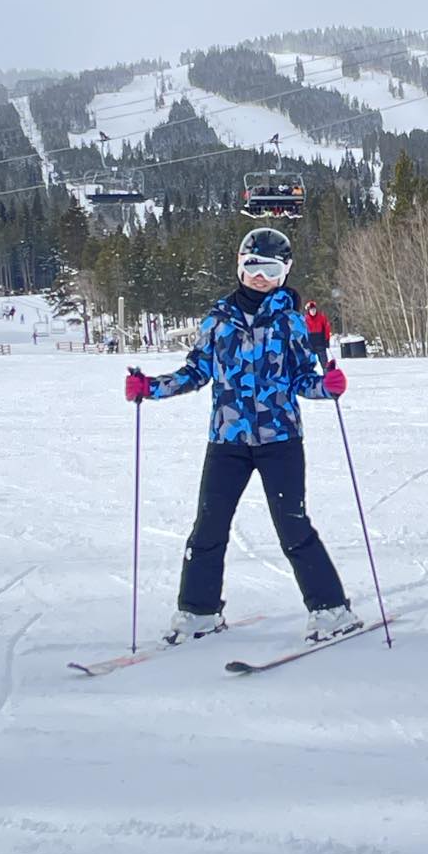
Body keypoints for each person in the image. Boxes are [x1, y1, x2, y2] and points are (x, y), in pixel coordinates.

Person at [124, 227, 361, 645]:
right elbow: (197, 371)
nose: (260, 276)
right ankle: (199, 611)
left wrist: (327, 387)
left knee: (293, 526)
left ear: (284, 272)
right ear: (239, 264)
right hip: (227, 441)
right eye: (253, 266)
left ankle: (330, 610)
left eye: (270, 269)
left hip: (280, 439)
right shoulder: (218, 319)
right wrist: (151, 388)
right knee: (208, 527)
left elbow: (303, 377)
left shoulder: (290, 321)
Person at [304, 300, 332, 365]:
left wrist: (327, 340)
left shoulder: (321, 318)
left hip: (321, 343)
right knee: (308, 364)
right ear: (308, 311)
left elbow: (327, 329)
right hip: (310, 344)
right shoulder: (305, 319)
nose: (313, 311)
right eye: (311, 310)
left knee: (324, 363)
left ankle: (326, 374)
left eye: (314, 309)